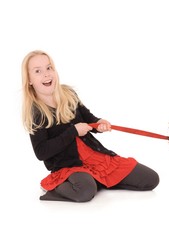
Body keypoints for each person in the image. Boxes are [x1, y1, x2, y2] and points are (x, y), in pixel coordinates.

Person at [21, 50, 159, 202]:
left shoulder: (69, 94)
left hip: (94, 157)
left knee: (151, 179)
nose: (46, 74)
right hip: (69, 167)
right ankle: (57, 186)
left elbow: (88, 118)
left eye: (49, 68)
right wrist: (72, 132)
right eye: (38, 71)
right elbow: (41, 152)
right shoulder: (36, 112)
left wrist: (98, 123)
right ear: (29, 80)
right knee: (84, 192)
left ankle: (98, 180)